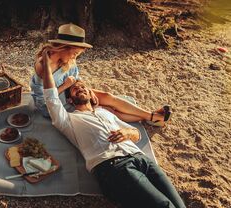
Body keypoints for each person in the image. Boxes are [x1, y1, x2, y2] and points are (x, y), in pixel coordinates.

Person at [41, 49, 186, 208]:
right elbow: (51, 97)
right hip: (114, 167)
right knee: (164, 205)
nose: (80, 88)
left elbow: (136, 134)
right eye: (75, 89)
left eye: (83, 86)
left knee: (179, 204)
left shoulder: (105, 112)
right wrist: (47, 66)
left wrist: (128, 132)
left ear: (91, 94)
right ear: (69, 99)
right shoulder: (67, 119)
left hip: (142, 159)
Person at [30, 23, 171, 127]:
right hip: (52, 105)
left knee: (107, 96)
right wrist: (65, 86)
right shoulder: (43, 66)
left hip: (69, 91)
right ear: (63, 47)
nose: (75, 57)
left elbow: (76, 78)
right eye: (74, 53)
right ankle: (152, 118)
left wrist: (88, 90)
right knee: (106, 110)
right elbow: (45, 100)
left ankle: (151, 116)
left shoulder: (68, 58)